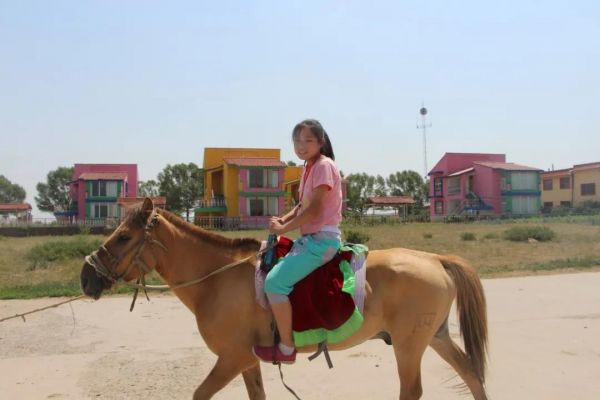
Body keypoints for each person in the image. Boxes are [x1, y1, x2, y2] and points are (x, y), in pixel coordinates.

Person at [253, 119, 343, 364]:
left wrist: (283, 228)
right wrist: (283, 219)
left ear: (320, 142)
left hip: (321, 241)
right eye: (297, 141)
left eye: (308, 140)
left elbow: (313, 211)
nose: (301, 146)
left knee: (274, 283)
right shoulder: (309, 167)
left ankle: (286, 348)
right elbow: (302, 206)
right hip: (311, 239)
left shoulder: (323, 166)